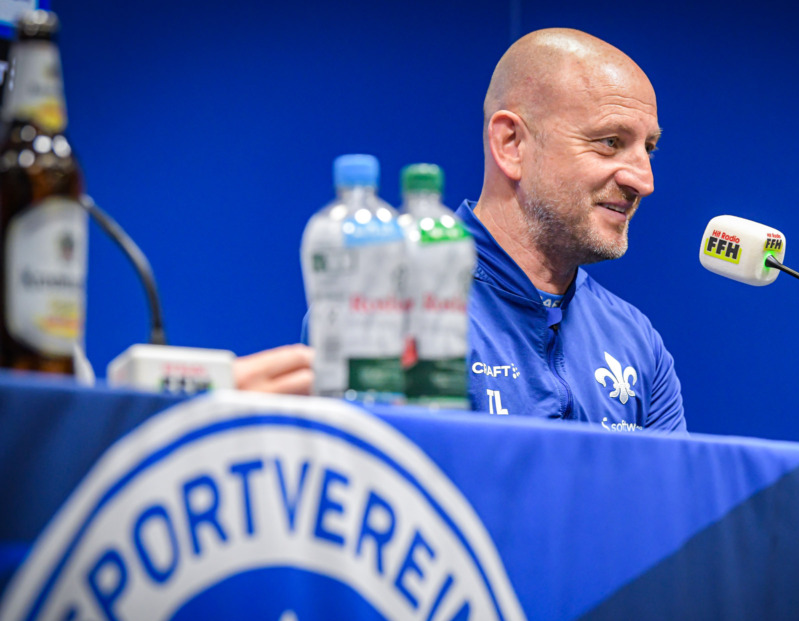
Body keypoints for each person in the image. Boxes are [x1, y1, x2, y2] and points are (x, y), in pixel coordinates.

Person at [237, 28, 686, 433]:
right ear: (511, 144)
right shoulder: (385, 302)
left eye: (648, 148)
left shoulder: (636, 340)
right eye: (610, 142)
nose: (643, 181)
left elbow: (674, 512)